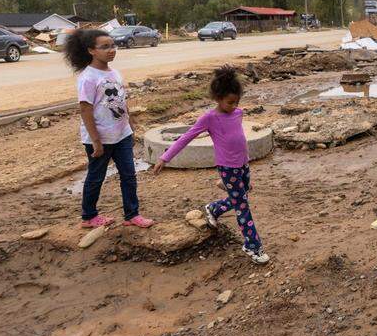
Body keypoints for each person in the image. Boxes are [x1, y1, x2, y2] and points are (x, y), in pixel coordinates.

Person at [152, 67, 269, 264]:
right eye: (230, 102)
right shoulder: (209, 118)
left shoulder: (238, 113)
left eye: (237, 102)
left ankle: (214, 209)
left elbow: (237, 139)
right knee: (242, 206)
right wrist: (165, 157)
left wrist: (245, 160)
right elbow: (186, 137)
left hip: (243, 164)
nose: (234, 106)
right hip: (228, 168)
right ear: (218, 98)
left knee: (241, 196)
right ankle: (252, 246)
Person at [65, 29, 154, 230]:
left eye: (113, 46)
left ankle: (132, 214)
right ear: (91, 50)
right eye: (105, 47)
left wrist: (130, 124)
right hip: (100, 139)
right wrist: (96, 141)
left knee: (129, 175)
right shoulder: (88, 77)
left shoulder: (114, 73)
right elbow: (85, 109)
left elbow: (121, 100)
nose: (111, 50)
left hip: (122, 134)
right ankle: (89, 216)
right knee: (96, 177)